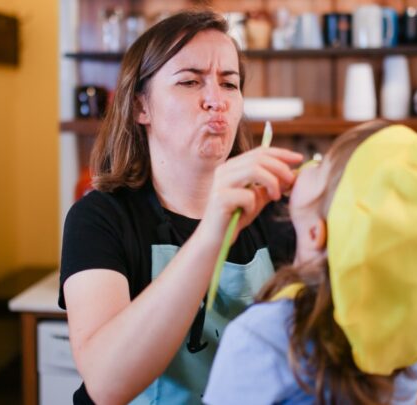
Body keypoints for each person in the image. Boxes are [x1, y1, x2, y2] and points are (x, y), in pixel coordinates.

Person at [59, 9, 303, 405]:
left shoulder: (279, 212)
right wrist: (212, 234)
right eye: (190, 82)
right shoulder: (99, 218)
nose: (215, 101)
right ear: (142, 107)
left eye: (229, 83)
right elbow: (105, 383)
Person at [203, 122, 417, 404]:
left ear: (317, 232)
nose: (311, 162)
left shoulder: (261, 336)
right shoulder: (401, 331)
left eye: (323, 164)